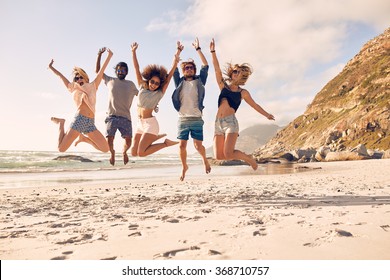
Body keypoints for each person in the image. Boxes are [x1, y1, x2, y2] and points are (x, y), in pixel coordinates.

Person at [209, 39, 275, 170]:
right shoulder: (223, 87)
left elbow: (255, 105)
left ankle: (248, 158)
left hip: (230, 123)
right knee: (219, 156)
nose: (236, 73)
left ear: (242, 76)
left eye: (239, 72)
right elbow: (216, 69)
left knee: (228, 153)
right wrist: (212, 51)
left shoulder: (242, 93)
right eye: (234, 71)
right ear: (232, 74)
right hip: (218, 123)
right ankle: (247, 157)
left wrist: (267, 115)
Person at [48, 49, 113, 153]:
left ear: (86, 78)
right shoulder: (74, 88)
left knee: (105, 149)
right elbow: (61, 76)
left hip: (90, 122)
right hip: (79, 120)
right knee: (61, 149)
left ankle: (84, 139)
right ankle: (61, 123)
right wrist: (51, 67)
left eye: (81, 77)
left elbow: (102, 70)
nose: (78, 80)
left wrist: (109, 55)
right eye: (76, 78)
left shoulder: (93, 85)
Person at [130, 41, 181, 157]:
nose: (154, 84)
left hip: (150, 124)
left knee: (141, 153)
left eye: (157, 83)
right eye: (152, 81)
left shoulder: (159, 93)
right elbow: (136, 68)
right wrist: (133, 52)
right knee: (133, 153)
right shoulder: (142, 86)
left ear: (159, 85)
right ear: (148, 79)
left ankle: (165, 143)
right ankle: (153, 138)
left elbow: (170, 75)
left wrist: (177, 53)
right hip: (140, 123)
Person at [172, 38, 211, 181]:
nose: (189, 69)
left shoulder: (200, 81)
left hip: (196, 118)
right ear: (184, 71)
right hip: (182, 118)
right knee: (182, 146)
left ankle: (204, 160)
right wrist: (178, 52)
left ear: (194, 70)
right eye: (186, 68)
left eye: (191, 68)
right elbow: (173, 68)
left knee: (197, 145)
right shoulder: (179, 82)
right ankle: (184, 167)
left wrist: (198, 49)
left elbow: (206, 65)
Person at [96, 48, 138, 165]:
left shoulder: (131, 84)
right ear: (116, 71)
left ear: (126, 72)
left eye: (123, 70)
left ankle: (124, 152)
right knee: (109, 138)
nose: (121, 72)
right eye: (119, 70)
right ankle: (112, 153)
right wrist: (99, 55)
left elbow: (141, 96)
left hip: (126, 117)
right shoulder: (110, 80)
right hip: (112, 117)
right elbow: (98, 71)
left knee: (129, 141)